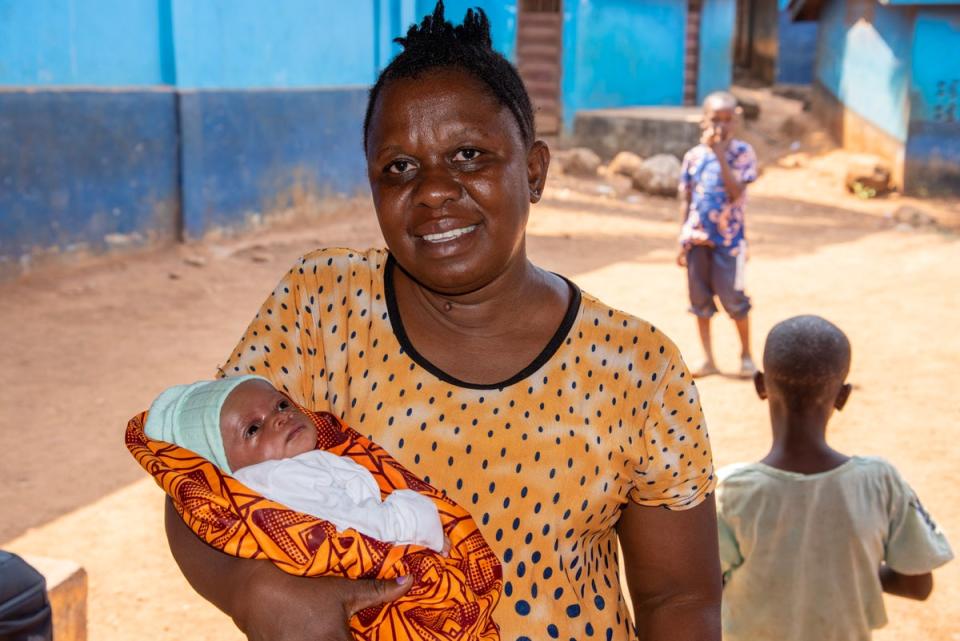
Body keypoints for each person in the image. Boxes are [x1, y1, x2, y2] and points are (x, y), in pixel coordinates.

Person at [164, 3, 722, 640]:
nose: (432, 190)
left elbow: (681, 599)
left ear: (534, 171)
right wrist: (251, 590)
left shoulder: (637, 367)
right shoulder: (322, 304)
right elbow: (192, 479)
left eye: (468, 156)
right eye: (399, 167)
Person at [716, 315, 953, 641]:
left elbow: (701, 586)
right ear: (842, 396)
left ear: (760, 385)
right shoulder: (880, 482)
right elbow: (918, 584)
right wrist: (849, 569)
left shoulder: (730, 492)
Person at [143, 375, 445, 552]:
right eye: (253, 429)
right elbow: (371, 530)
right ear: (225, 469)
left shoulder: (293, 467)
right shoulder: (277, 478)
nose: (280, 417)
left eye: (281, 404)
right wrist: (422, 520)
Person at [677, 91, 758, 379]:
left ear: (735, 120)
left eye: (727, 120)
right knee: (699, 302)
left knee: (734, 299)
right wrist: (682, 237)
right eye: (715, 119)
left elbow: (736, 192)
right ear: (704, 120)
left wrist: (721, 155)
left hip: (729, 242)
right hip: (697, 239)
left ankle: (746, 356)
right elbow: (686, 198)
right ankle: (708, 359)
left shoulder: (742, 154)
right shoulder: (694, 157)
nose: (721, 126)